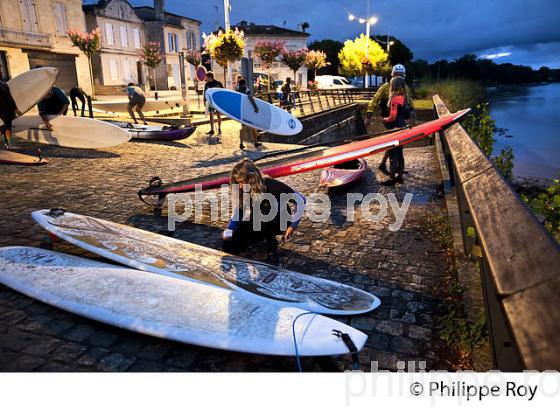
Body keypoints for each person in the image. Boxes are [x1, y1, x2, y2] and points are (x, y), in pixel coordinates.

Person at [222, 158, 306, 264]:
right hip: (260, 219)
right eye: (238, 183)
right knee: (231, 242)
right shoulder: (242, 189)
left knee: (263, 214)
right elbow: (240, 209)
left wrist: (292, 226)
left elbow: (301, 200)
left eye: (242, 182)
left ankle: (272, 249)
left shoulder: (273, 185)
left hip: (280, 220)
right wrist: (230, 229)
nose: (240, 186)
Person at [365, 64, 414, 174]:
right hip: (388, 118)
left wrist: (410, 114)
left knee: (393, 143)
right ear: (392, 75)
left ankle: (384, 165)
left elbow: (410, 102)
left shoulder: (405, 88)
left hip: (397, 118)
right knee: (393, 143)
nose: (398, 78)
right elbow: (374, 100)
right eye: (397, 75)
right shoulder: (385, 87)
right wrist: (369, 115)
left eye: (400, 75)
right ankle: (393, 168)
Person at [380, 76, 410, 186]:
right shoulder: (403, 97)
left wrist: (384, 119)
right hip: (402, 127)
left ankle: (392, 178)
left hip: (395, 129)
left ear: (393, 86)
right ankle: (400, 177)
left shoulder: (394, 99)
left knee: (393, 154)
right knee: (400, 153)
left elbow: (392, 116)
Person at [235, 76, 260, 150]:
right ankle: (256, 142)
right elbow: (250, 97)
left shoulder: (237, 90)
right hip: (248, 110)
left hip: (241, 111)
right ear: (245, 84)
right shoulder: (246, 89)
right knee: (253, 125)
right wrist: (255, 106)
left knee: (243, 128)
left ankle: (241, 143)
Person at [0, 80, 21, 149]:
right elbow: (9, 97)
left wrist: (15, 108)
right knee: (7, 126)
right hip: (6, 108)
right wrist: (16, 108)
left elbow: (9, 97)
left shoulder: (3, 84)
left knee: (6, 126)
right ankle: (9, 145)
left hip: (5, 108)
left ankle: (7, 143)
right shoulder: (3, 84)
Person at [204, 71, 223, 136]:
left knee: (218, 114)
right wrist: (204, 101)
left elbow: (222, 92)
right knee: (211, 115)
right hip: (210, 102)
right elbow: (205, 93)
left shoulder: (218, 83)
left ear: (210, 77)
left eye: (207, 77)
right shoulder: (207, 84)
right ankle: (212, 130)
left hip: (217, 102)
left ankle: (219, 128)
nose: (206, 79)